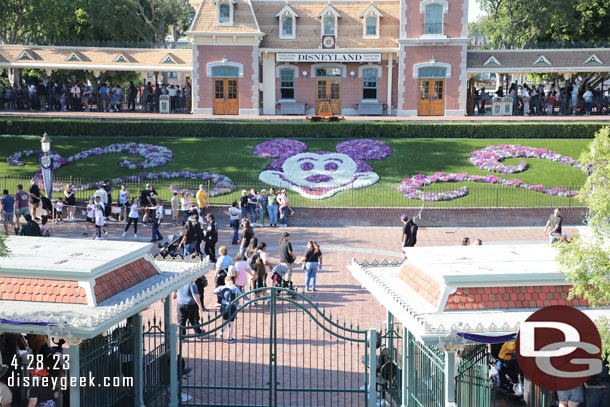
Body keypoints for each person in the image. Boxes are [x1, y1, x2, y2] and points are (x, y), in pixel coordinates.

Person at [213, 270, 242, 343]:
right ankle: (230, 338)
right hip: (232, 306)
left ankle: (221, 334)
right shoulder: (234, 288)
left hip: (224, 306)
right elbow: (240, 295)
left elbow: (214, 291)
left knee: (224, 321)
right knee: (231, 323)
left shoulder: (222, 287)